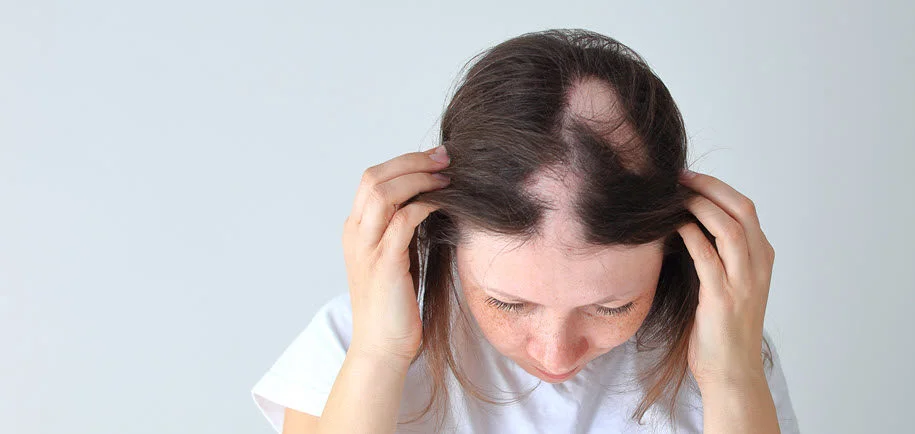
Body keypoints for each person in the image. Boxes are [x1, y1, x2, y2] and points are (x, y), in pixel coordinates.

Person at [250, 28, 800, 433]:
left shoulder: (724, 342)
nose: (556, 355)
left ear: (675, 249)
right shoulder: (354, 339)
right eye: (509, 304)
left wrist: (733, 378)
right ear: (445, 233)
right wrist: (378, 353)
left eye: (611, 308)